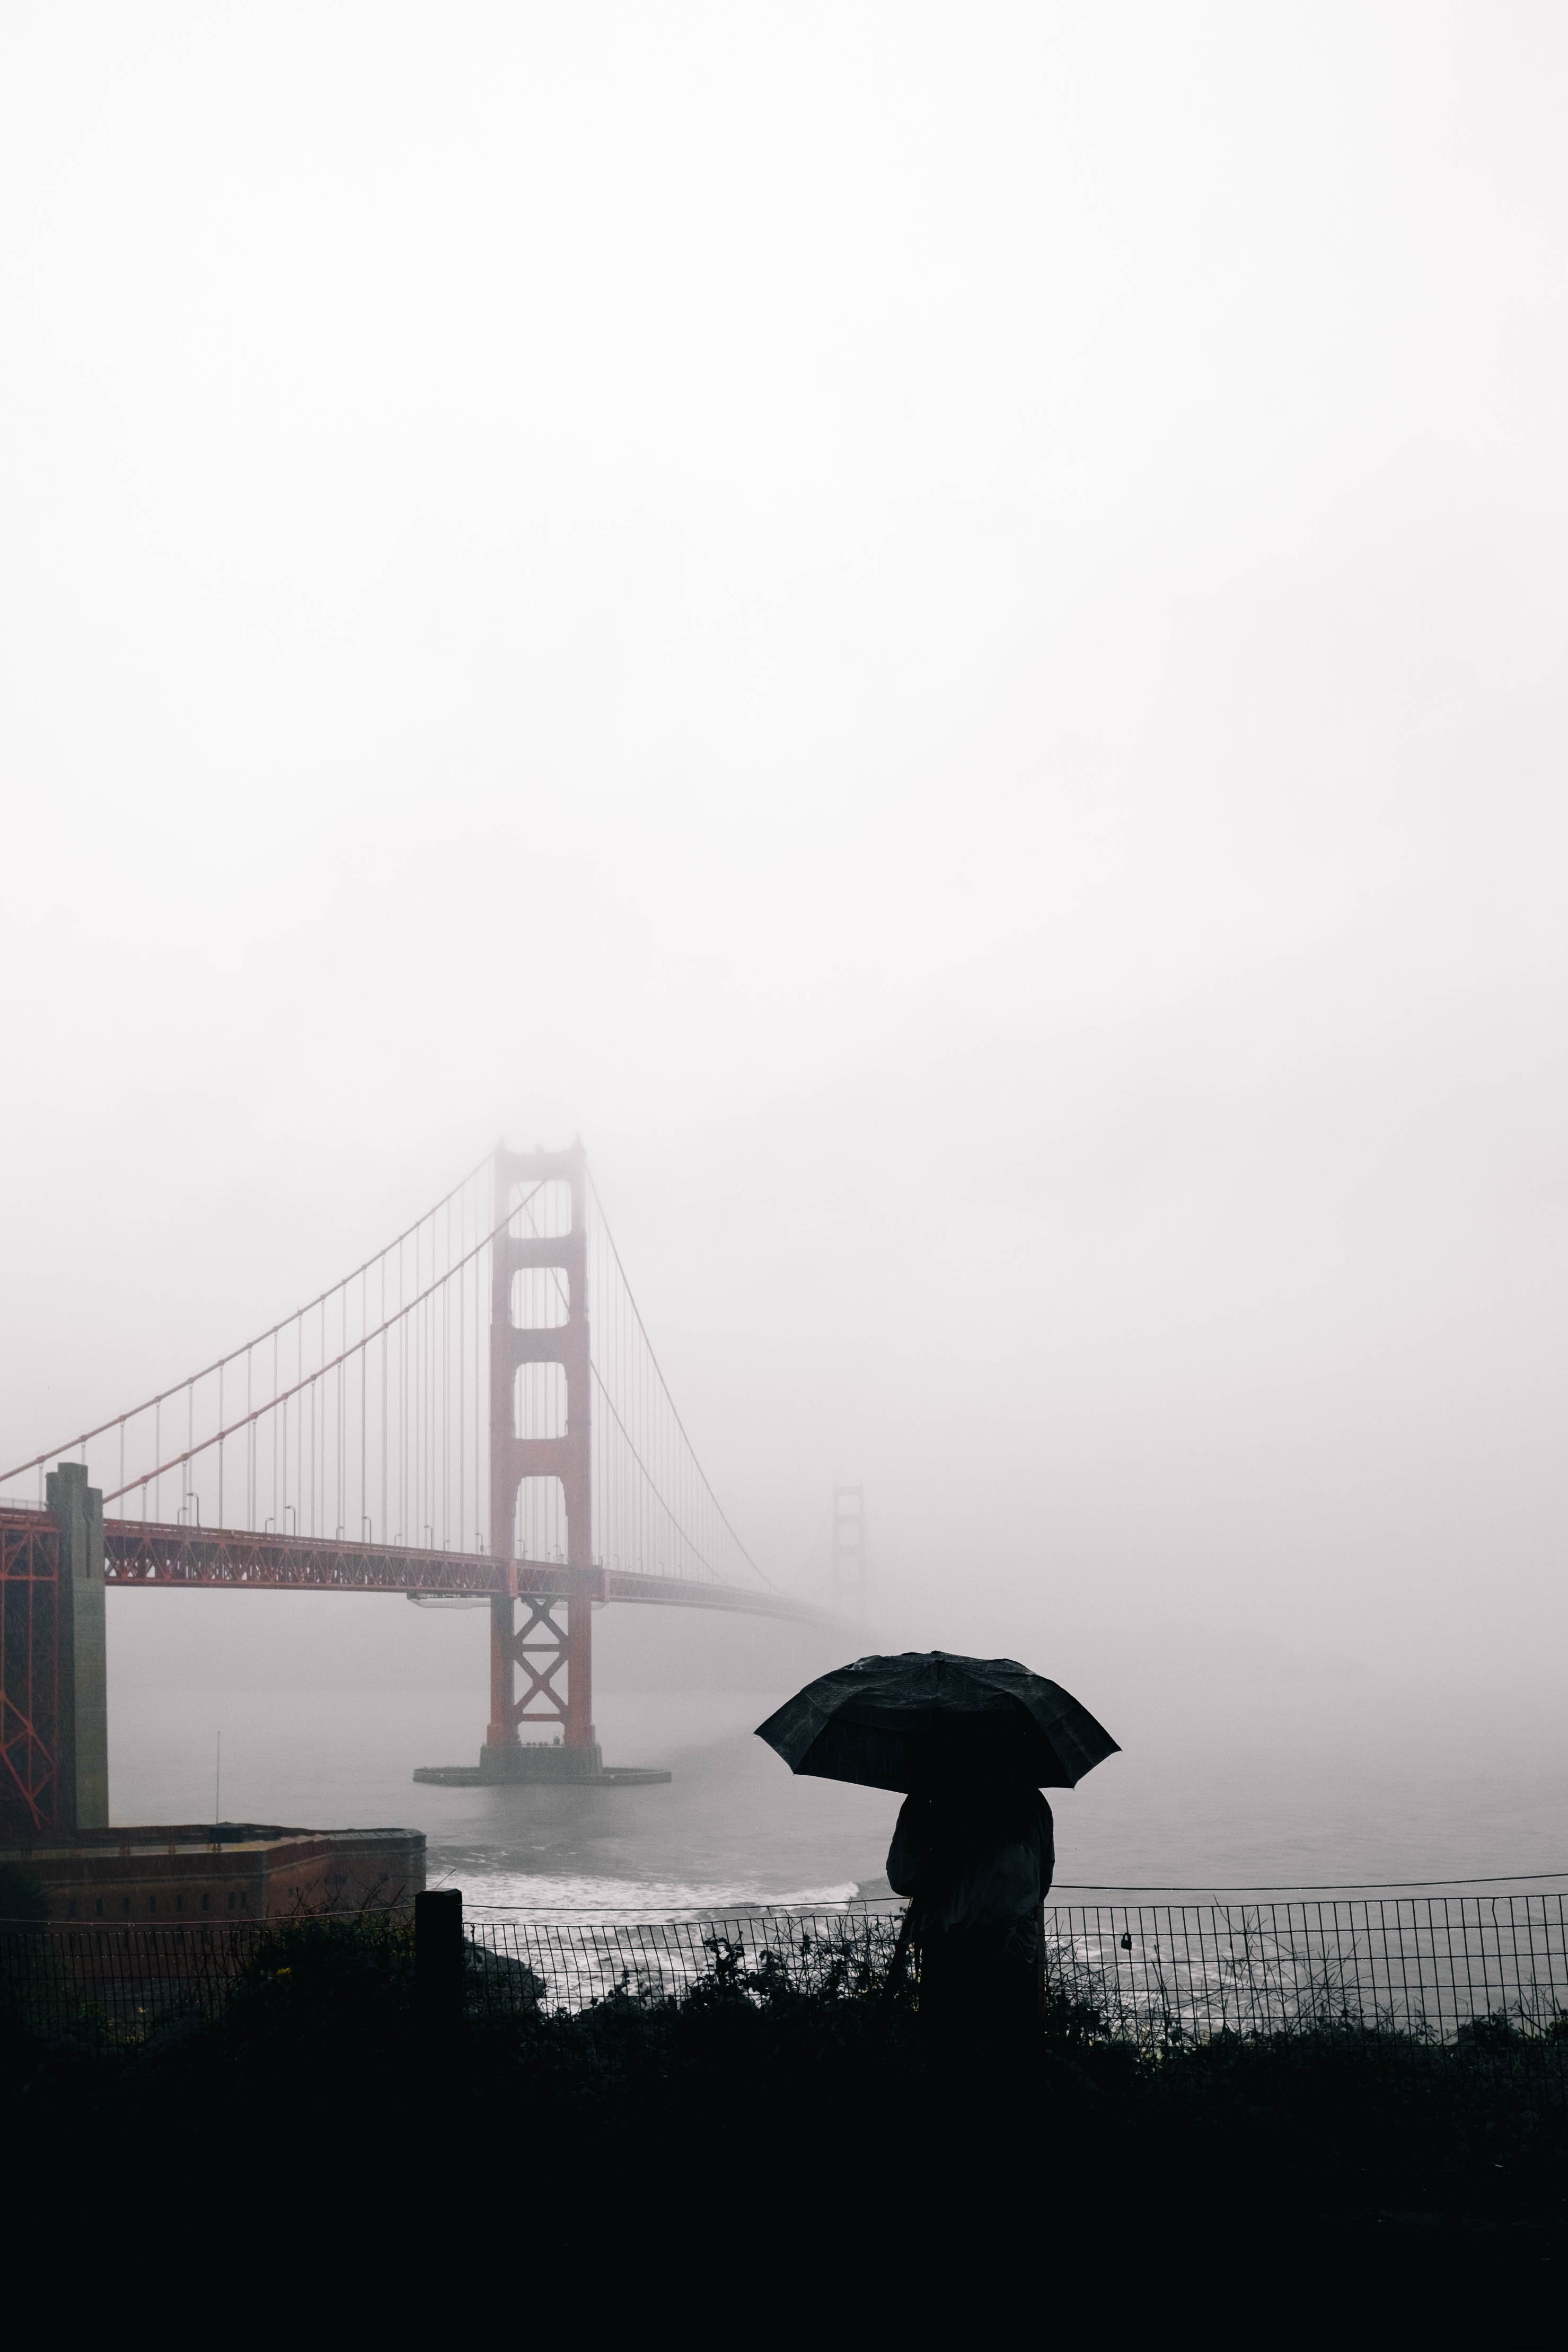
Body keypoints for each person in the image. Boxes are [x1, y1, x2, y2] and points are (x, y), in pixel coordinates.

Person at [885, 1780, 1054, 2052]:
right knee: (1010, 2052)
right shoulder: (1033, 1802)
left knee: (948, 2051)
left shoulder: (929, 1797)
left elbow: (903, 1877)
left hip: (947, 1949)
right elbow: (1041, 1883)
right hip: (1015, 1952)